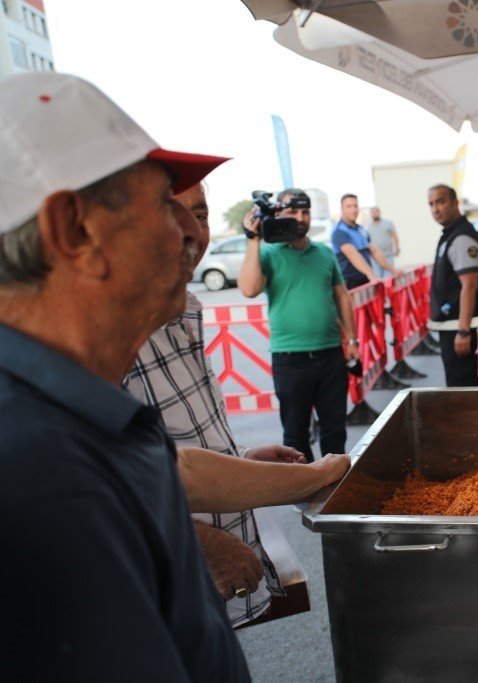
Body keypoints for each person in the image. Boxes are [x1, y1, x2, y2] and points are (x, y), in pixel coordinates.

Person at [0, 72, 252, 679]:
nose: (193, 232)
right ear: (76, 230)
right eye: (164, 204)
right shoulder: (39, 470)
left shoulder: (77, 414)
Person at [123, 182, 307, 627]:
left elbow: (172, 440)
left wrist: (238, 459)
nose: (193, 231)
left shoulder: (183, 308)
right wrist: (193, 539)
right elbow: (100, 478)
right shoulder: (106, 328)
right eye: (171, 211)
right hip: (154, 588)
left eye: (201, 215)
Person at [239, 189, 359, 463]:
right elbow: (249, 288)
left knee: (335, 430)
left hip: (330, 356)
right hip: (290, 359)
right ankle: (303, 490)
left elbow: (341, 296)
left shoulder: (324, 253)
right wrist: (253, 240)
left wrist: (351, 341)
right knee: (295, 434)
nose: (300, 218)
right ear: (278, 214)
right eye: (293, 212)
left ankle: (333, 487)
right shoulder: (268, 253)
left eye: (305, 211)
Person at [426, 184, 478, 386]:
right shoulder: (450, 234)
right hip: (451, 326)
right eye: (431, 204)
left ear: (455, 203)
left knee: (462, 392)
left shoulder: (461, 237)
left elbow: (469, 285)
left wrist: (463, 331)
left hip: (459, 329)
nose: (436, 208)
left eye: (441, 202)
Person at [331, 193, 398, 288]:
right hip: (350, 284)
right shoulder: (339, 231)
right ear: (342, 209)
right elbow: (353, 255)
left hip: (365, 280)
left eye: (355, 206)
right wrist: (372, 275)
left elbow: (374, 251)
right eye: (349, 206)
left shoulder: (360, 230)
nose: (353, 210)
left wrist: (393, 271)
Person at [365, 205, 400, 278]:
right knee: (378, 279)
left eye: (376, 212)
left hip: (388, 256)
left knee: (388, 278)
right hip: (375, 259)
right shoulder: (368, 228)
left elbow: (394, 236)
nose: (374, 214)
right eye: (372, 212)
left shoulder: (388, 223)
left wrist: (397, 248)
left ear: (379, 212)